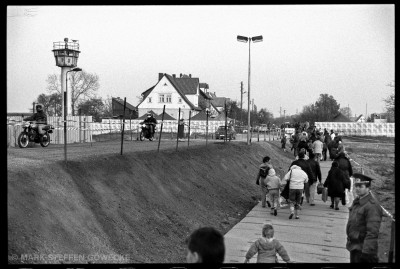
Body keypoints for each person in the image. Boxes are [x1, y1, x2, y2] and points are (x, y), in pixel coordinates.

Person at [346, 173, 383, 263]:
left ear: (368, 188)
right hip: (354, 246)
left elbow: (372, 232)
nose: (357, 189)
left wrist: (366, 253)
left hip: (363, 250)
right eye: (356, 186)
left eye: (361, 186)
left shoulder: (371, 206)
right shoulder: (358, 202)